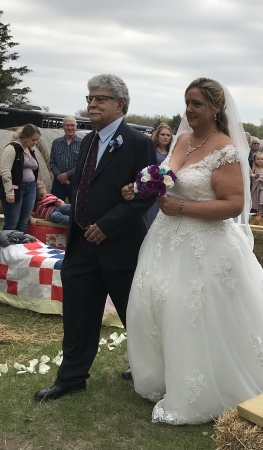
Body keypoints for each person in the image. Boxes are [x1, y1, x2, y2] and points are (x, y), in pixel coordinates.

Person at [124, 78, 263, 425]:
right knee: (161, 304)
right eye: (187, 103)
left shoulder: (227, 150)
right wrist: (145, 186)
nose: (189, 110)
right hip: (166, 239)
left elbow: (233, 205)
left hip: (207, 244)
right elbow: (168, 175)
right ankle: (165, 374)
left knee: (197, 312)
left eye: (197, 104)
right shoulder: (183, 139)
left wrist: (182, 209)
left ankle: (206, 384)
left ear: (216, 108)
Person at [34, 74, 157, 401]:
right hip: (82, 246)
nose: (92, 103)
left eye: (100, 98)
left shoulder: (139, 143)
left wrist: (108, 225)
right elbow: (82, 188)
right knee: (78, 315)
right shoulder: (87, 142)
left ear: (121, 104)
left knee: (135, 315)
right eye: (90, 97)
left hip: (121, 247)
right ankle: (71, 378)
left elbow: (147, 194)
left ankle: (148, 368)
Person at [0, 124, 40, 233]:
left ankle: (20, 247)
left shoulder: (30, 150)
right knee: (12, 222)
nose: (35, 142)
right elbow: (5, 171)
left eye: (37, 140)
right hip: (16, 189)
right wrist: (9, 191)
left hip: (30, 188)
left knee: (23, 222)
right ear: (25, 137)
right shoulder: (12, 148)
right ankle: (6, 248)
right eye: (33, 140)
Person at [143, 123, 173, 228]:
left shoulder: (172, 152)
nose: (165, 137)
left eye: (168, 135)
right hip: (151, 187)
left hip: (167, 188)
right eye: (163, 134)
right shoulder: (151, 149)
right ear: (157, 135)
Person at [49, 116, 82, 202]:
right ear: (63, 127)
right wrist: (60, 177)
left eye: (72, 125)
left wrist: (67, 175)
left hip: (75, 182)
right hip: (58, 183)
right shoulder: (56, 143)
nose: (70, 128)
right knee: (54, 207)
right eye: (67, 125)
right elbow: (52, 163)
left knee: (76, 208)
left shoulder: (82, 143)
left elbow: (82, 164)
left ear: (76, 127)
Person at [250, 151, 263, 217]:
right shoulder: (255, 168)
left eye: (262, 159)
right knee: (257, 198)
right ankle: (258, 211)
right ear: (255, 160)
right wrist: (254, 176)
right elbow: (252, 176)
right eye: (258, 159)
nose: (260, 161)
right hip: (257, 187)